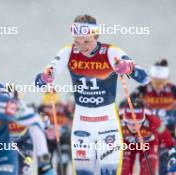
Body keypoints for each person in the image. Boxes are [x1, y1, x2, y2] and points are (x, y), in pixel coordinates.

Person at [35, 14, 148, 175]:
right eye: (77, 40)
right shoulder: (68, 51)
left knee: (109, 171)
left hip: (107, 123)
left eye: (86, 41)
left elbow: (144, 78)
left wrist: (129, 68)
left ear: (96, 35)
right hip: (82, 122)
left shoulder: (111, 51)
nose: (81, 46)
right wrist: (45, 77)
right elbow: (39, 81)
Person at [127, 59, 176, 174]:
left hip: (168, 133)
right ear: (151, 78)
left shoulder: (173, 90)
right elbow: (126, 106)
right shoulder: (142, 90)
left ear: (166, 79)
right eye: (155, 82)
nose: (158, 86)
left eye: (161, 82)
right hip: (148, 134)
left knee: (166, 164)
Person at [120, 99, 176, 175]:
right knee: (123, 168)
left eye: (138, 123)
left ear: (143, 119)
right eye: (130, 123)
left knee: (148, 168)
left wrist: (172, 153)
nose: (134, 127)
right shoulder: (117, 119)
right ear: (124, 120)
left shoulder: (153, 120)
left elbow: (167, 138)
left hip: (149, 144)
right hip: (127, 144)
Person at [38, 92, 72, 175]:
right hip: (47, 139)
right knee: (44, 162)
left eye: (52, 105)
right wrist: (46, 128)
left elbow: (72, 119)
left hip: (63, 138)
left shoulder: (64, 107)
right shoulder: (41, 108)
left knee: (63, 161)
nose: (50, 108)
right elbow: (38, 123)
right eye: (47, 105)